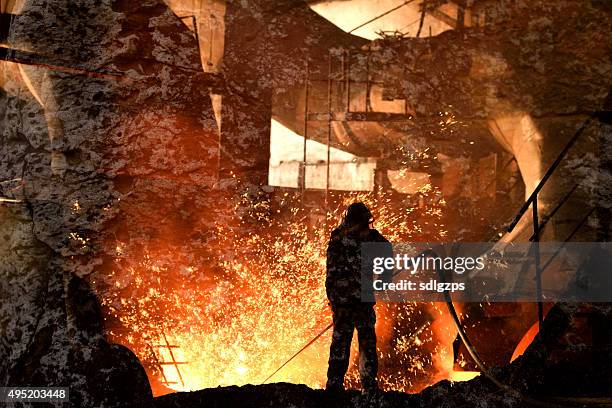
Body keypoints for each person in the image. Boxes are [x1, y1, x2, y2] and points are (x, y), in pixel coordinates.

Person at [325, 202, 391, 395]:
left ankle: (348, 387)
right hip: (351, 303)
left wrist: (333, 301)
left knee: (354, 344)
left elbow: (330, 274)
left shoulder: (348, 238)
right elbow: (331, 273)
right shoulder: (350, 238)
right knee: (353, 344)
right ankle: (350, 387)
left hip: (352, 303)